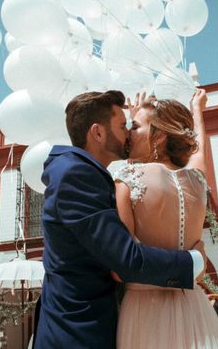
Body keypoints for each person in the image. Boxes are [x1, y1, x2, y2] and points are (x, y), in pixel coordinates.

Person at [35, 90, 207, 349]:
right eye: (123, 125)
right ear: (98, 132)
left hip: (117, 319)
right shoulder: (75, 175)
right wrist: (193, 261)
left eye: (133, 126)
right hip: (77, 331)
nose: (128, 132)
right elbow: (125, 261)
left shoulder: (98, 175)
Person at [113, 89, 218, 348]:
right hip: (195, 308)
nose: (129, 132)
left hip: (145, 311)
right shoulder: (197, 180)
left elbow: (122, 267)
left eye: (135, 126)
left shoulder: (126, 179)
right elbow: (200, 152)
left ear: (160, 135)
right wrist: (197, 109)